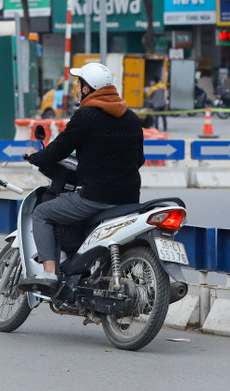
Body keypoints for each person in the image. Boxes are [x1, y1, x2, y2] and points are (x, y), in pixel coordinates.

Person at [19, 62, 145, 291]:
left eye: (80, 84)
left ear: (87, 89)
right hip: (129, 199)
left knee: (42, 214)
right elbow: (139, 160)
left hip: (95, 197)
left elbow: (58, 150)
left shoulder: (85, 116)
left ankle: (49, 275)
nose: (78, 89)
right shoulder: (132, 118)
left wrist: (36, 157)